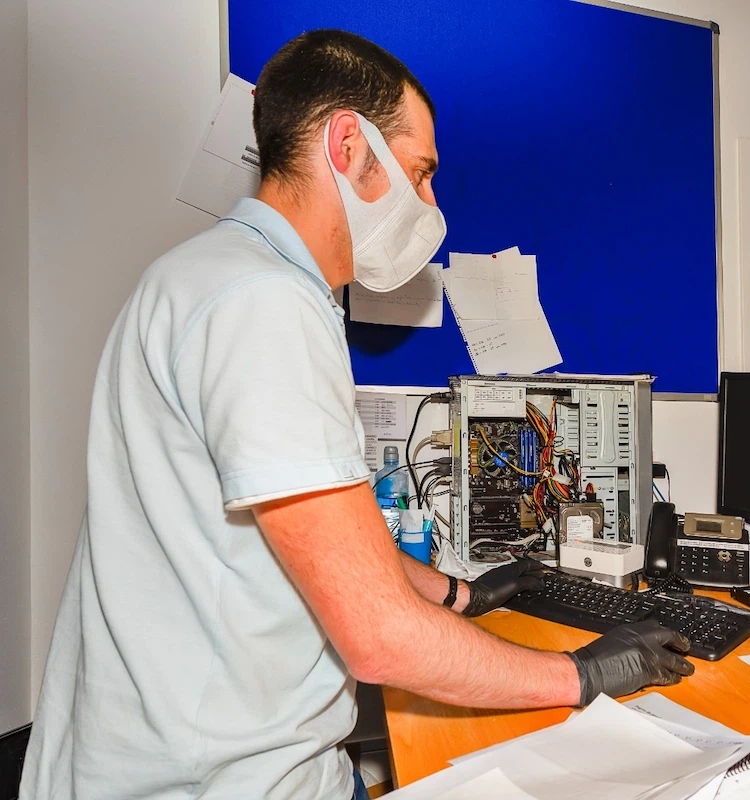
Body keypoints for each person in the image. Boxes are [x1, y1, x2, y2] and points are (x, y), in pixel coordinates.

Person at [20, 29, 693, 800]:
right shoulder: (264, 304)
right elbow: (378, 641)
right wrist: (584, 673)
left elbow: (328, 543)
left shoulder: (204, 275)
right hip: (221, 781)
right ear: (349, 144)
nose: (433, 205)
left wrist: (461, 594)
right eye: (420, 173)